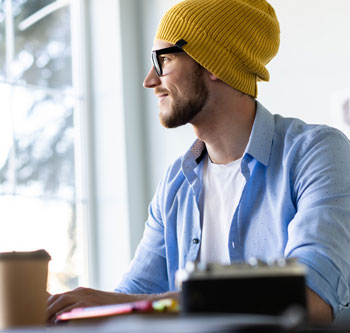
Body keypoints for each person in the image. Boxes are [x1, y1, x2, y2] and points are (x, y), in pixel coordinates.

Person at [47, 0, 350, 324]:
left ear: (213, 62)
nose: (150, 80)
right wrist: (77, 306)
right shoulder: (176, 182)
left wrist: (136, 304)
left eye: (163, 59)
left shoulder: (317, 153)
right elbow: (136, 294)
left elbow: (309, 296)